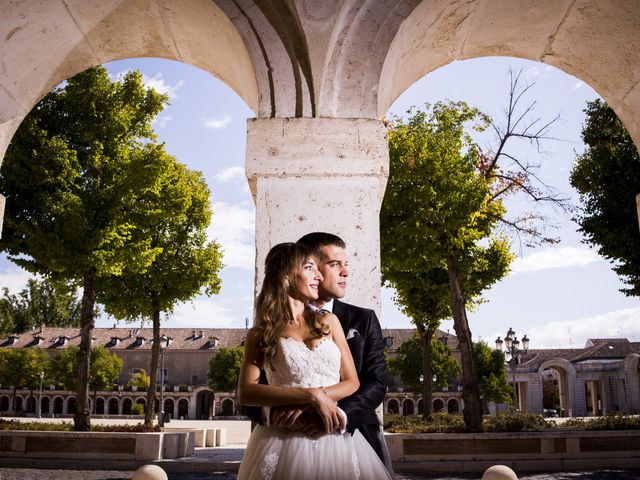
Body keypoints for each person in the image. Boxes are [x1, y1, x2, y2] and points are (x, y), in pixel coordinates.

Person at [237, 242, 392, 480]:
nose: (319, 276)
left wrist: (324, 402)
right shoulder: (261, 333)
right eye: (310, 268)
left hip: (336, 436)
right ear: (287, 275)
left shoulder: (329, 322)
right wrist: (312, 396)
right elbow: (246, 392)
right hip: (283, 439)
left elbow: (353, 382)